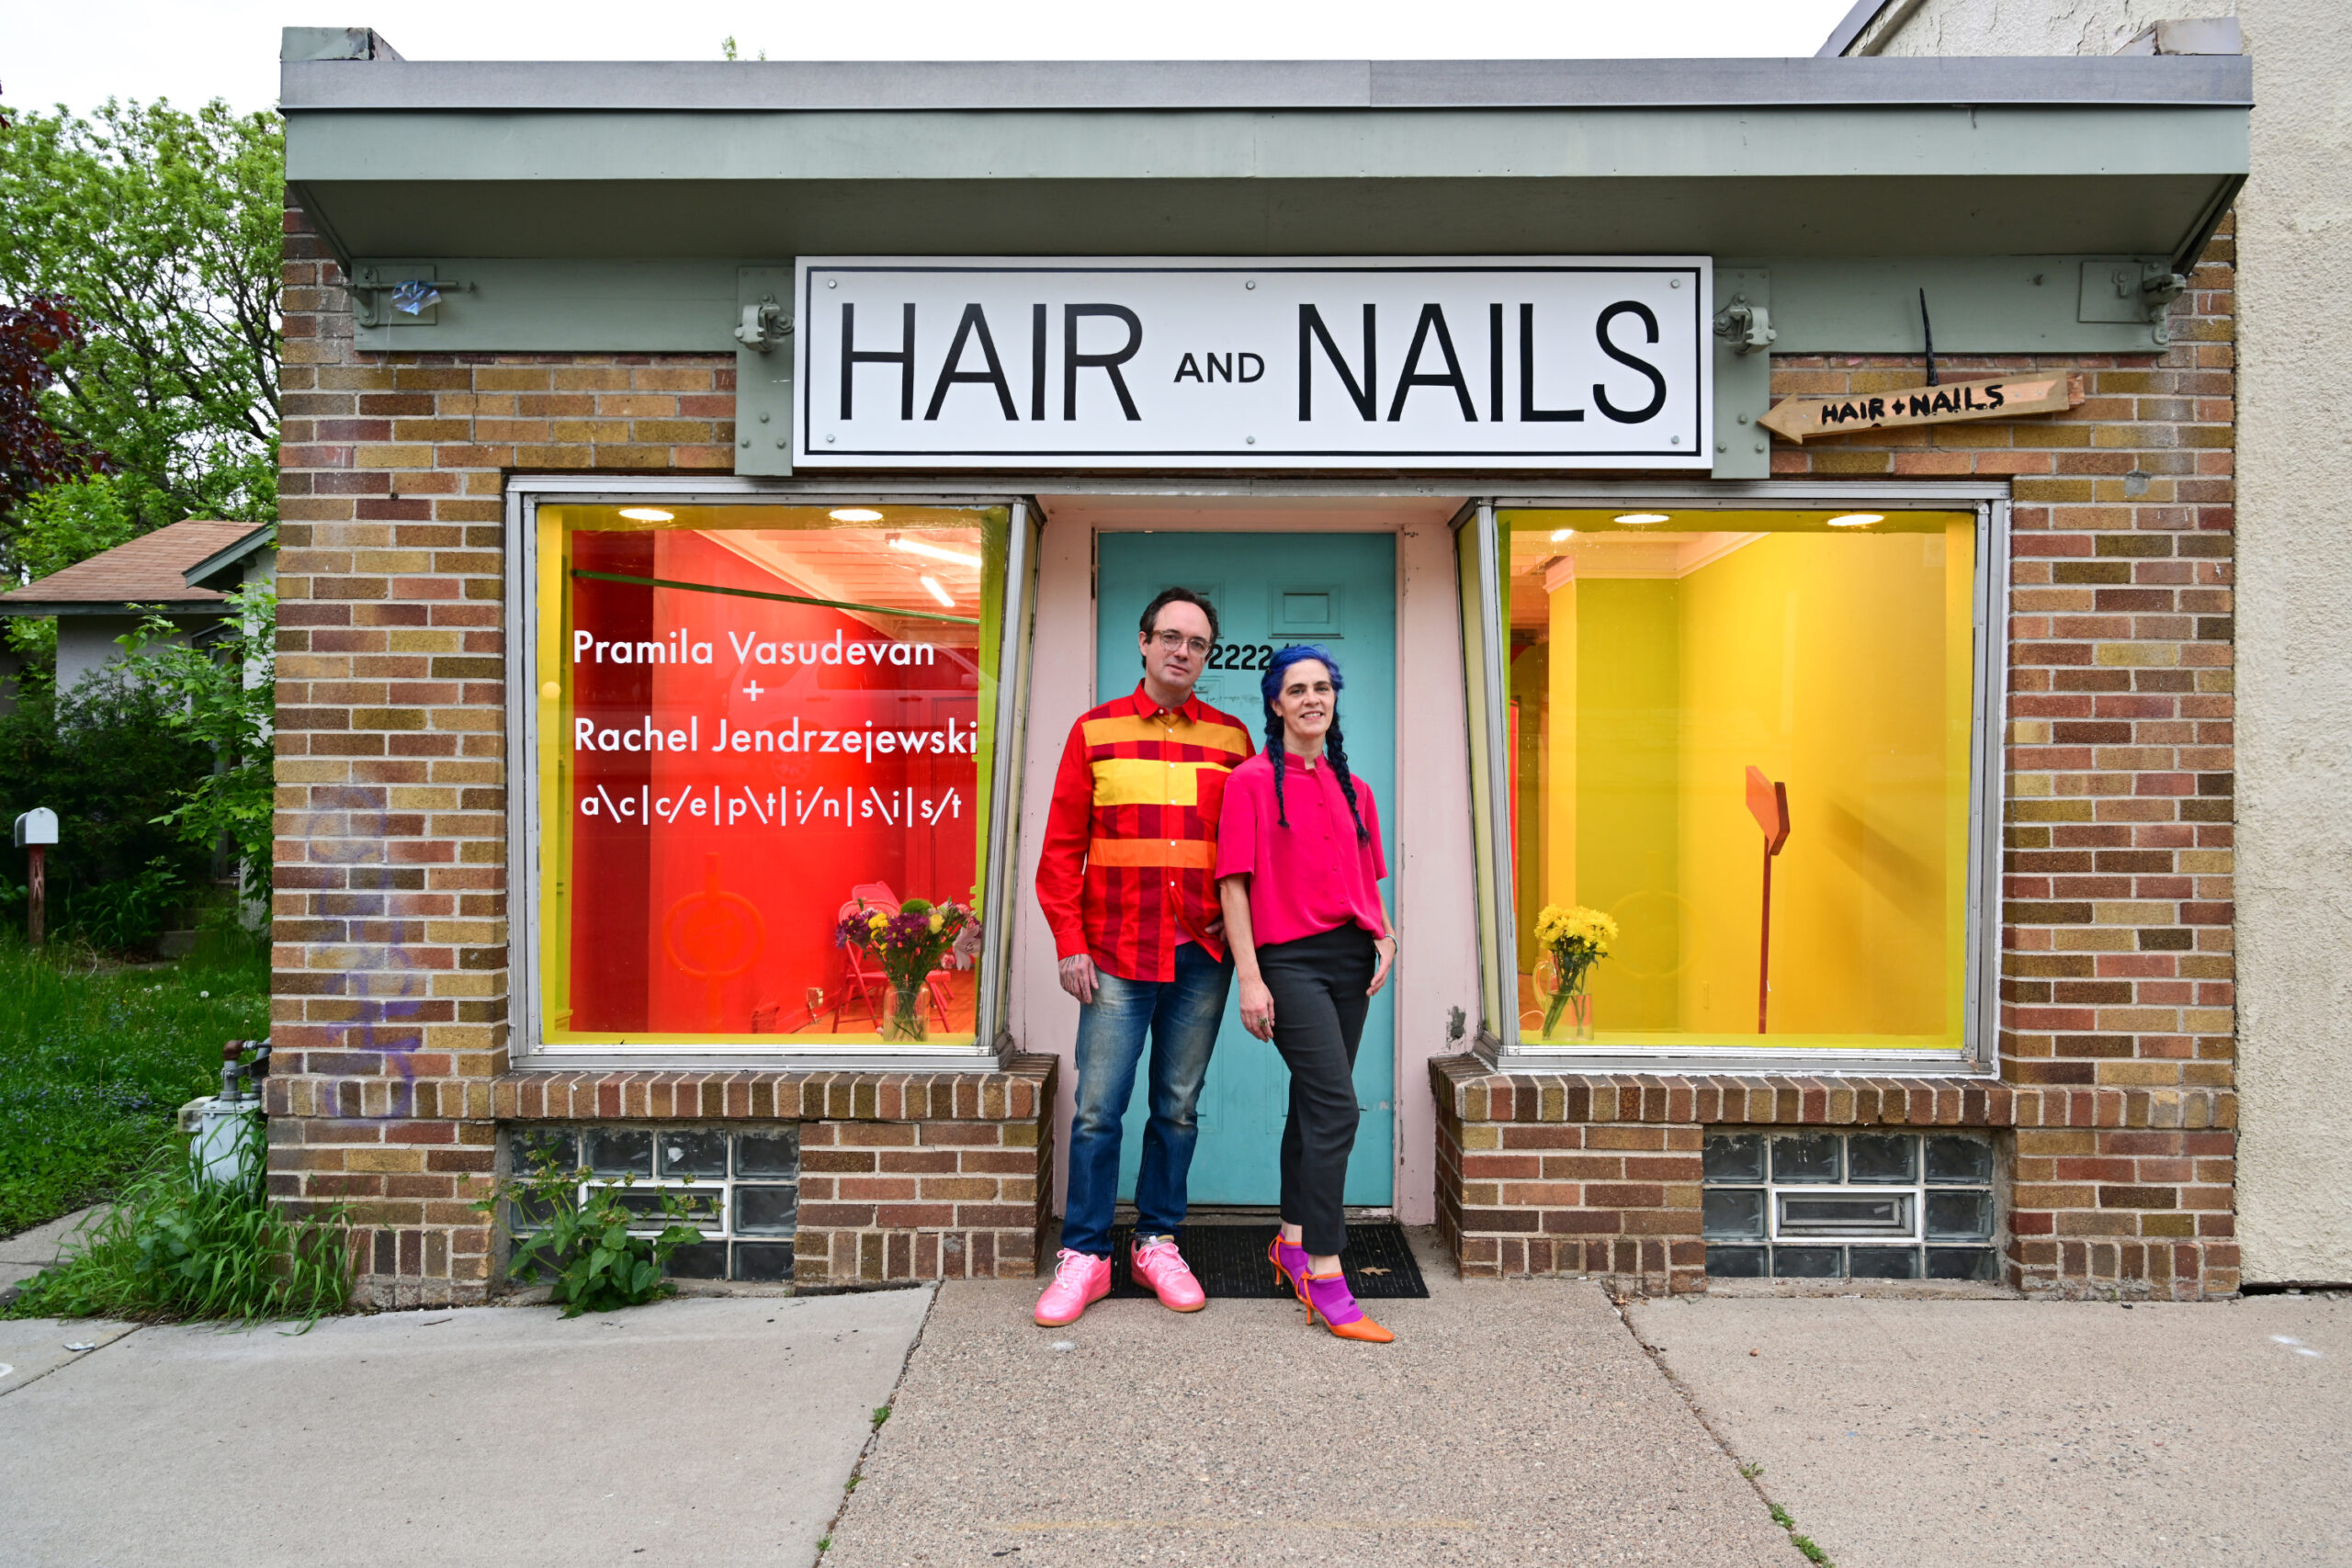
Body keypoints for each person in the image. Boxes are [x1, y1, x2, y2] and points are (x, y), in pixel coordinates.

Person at [1031, 587, 1255, 1326]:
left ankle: (1157, 1241)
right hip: (1116, 952)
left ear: (1205, 656)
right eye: (1170, 636)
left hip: (1201, 952)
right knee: (1098, 1112)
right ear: (1142, 641)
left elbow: (1250, 856)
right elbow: (1061, 850)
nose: (1182, 651)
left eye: (1196, 642)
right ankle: (1087, 1255)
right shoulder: (1093, 731)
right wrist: (1069, 941)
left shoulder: (1231, 739)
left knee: (1178, 1109)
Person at [1216, 644, 1398, 1343]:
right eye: (1298, 689)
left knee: (1311, 1103)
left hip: (1349, 959)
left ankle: (1291, 1237)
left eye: (1323, 687)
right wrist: (1251, 977)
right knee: (1336, 1108)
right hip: (1287, 961)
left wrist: (1384, 935)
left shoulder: (1356, 789)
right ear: (1275, 703)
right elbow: (1233, 884)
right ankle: (1325, 1275)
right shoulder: (1252, 782)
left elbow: (1367, 881)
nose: (1312, 699)